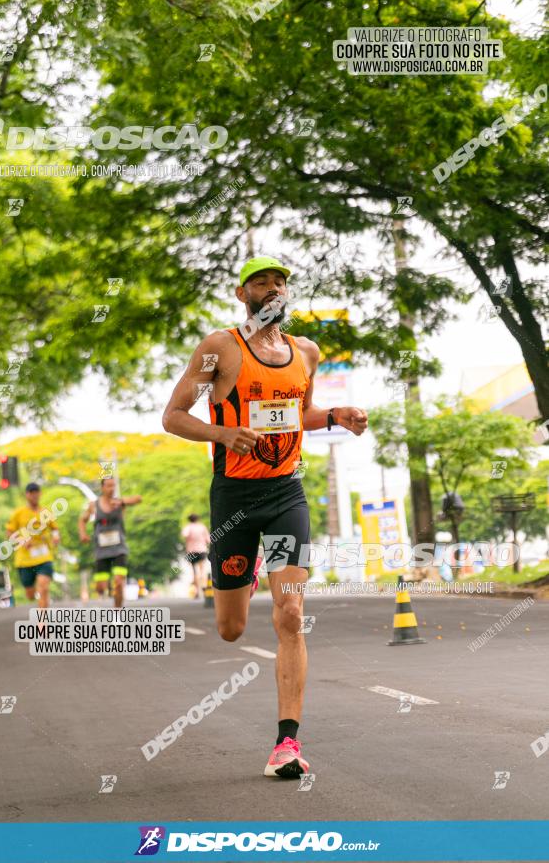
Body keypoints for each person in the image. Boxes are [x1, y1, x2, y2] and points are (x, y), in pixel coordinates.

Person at [162, 255, 368, 778]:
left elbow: (299, 412)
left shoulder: (306, 352)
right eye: (261, 281)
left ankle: (287, 743)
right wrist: (223, 434)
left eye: (280, 281)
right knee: (231, 628)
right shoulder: (219, 349)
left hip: (285, 497)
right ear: (242, 294)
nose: (272, 288)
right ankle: (240, 573)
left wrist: (334, 417)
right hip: (234, 501)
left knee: (291, 614)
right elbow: (174, 416)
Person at [79, 476, 141, 608]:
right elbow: (82, 520)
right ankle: (104, 587)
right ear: (102, 488)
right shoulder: (94, 505)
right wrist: (83, 534)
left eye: (113, 485)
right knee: (101, 587)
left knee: (119, 582)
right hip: (101, 550)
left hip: (119, 548)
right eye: (108, 486)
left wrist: (122, 501)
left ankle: (117, 613)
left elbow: (138, 499)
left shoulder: (119, 502)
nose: (111, 488)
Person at [6, 483, 60, 609]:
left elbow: (55, 528)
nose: (34, 495)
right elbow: (9, 532)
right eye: (31, 492)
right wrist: (21, 541)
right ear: (27, 494)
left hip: (44, 556)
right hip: (25, 560)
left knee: (44, 587)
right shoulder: (18, 513)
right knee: (30, 595)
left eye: (37, 492)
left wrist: (56, 537)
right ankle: (36, 593)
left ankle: (42, 623)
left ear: (40, 493)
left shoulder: (45, 512)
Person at [181, 513, 211, 598]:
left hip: (191, 551)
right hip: (202, 550)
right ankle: (204, 588)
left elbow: (185, 535)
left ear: (189, 519)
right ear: (197, 519)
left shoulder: (188, 527)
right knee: (202, 570)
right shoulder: (202, 527)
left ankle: (197, 591)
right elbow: (208, 540)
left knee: (194, 572)